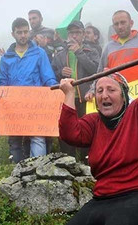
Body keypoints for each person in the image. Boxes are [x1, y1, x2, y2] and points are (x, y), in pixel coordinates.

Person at [60, 27, 138, 225]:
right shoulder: (94, 122)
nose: (104, 95)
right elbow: (70, 134)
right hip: (104, 198)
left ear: (123, 95)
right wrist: (69, 95)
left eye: (111, 90)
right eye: (99, 91)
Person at [0, 18, 58, 163]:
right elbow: (3, 82)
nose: (23, 35)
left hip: (35, 105)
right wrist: (0, 93)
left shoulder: (39, 53)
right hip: (13, 106)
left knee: (38, 138)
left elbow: (48, 76)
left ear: (29, 32)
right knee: (15, 141)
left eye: (25, 32)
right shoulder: (6, 58)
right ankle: (17, 175)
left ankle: (39, 171)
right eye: (19, 32)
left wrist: (56, 89)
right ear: (13, 34)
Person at [52, 20, 99, 160]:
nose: (74, 36)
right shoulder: (60, 55)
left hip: (87, 98)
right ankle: (68, 163)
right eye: (72, 33)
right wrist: (61, 72)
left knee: (88, 132)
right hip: (67, 100)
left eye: (77, 33)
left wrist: (79, 52)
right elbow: (52, 75)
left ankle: (88, 163)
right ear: (68, 35)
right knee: (67, 133)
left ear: (83, 34)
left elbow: (96, 70)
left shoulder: (92, 51)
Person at [88, 10, 138, 102]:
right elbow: (100, 73)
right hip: (119, 99)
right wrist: (92, 90)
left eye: (123, 22)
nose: (120, 27)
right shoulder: (108, 47)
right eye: (116, 24)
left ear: (131, 23)